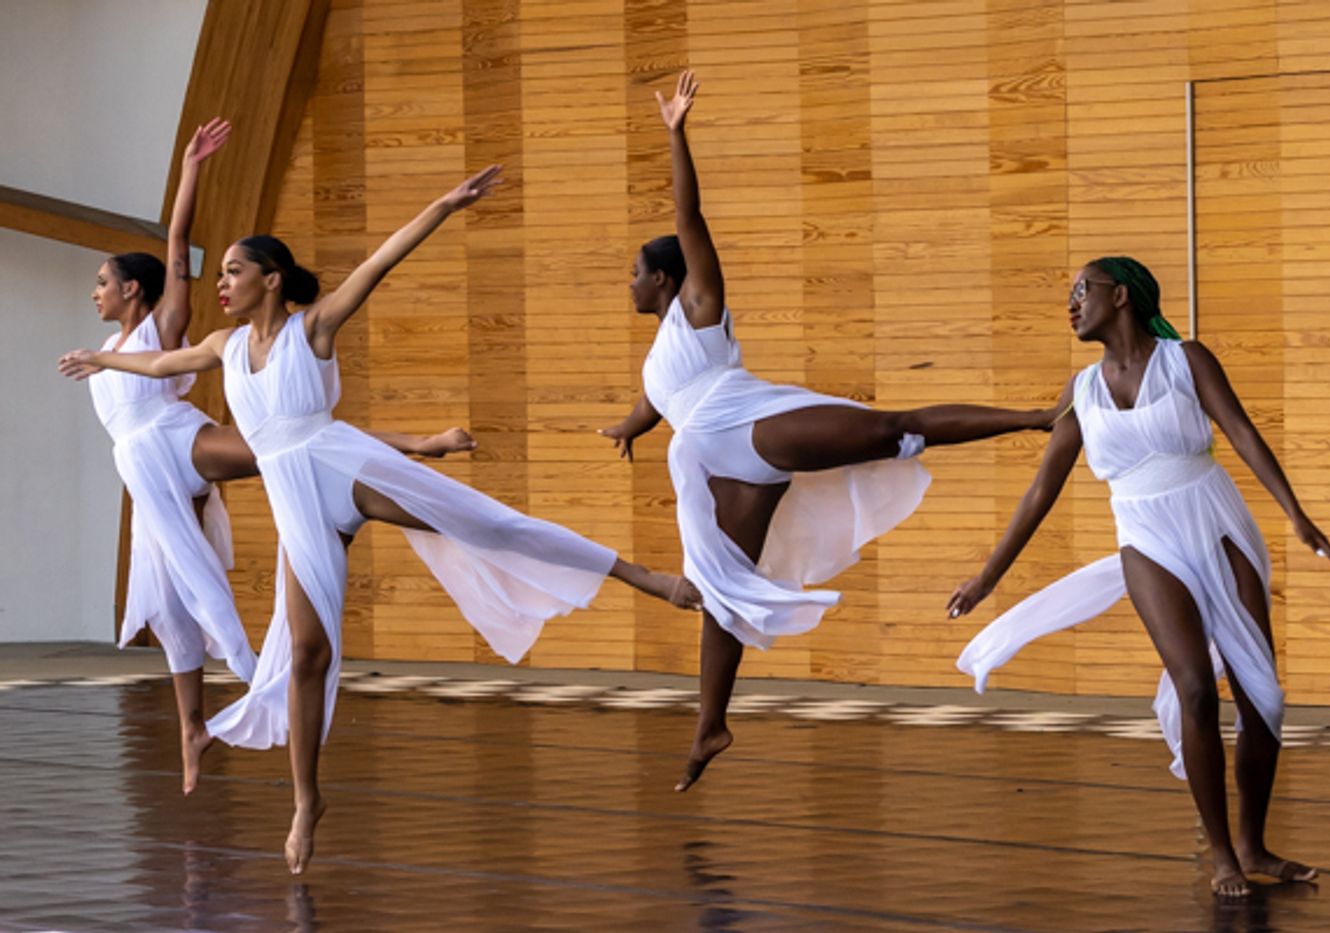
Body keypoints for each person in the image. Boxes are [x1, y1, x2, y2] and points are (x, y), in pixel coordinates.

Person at [61, 166, 700, 874]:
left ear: (271, 280)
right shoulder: (222, 347)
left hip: (345, 469)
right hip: (296, 501)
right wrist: (98, 356)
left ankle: (648, 579)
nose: (224, 282)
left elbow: (382, 262)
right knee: (308, 654)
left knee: (482, 524)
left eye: (235, 271)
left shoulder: (316, 326)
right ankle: (307, 799)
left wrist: (443, 206)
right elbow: (157, 363)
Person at [602, 71, 1056, 792]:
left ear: (665, 279)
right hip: (709, 461)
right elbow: (657, 401)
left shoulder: (699, 302)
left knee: (890, 429)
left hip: (745, 426)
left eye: (633, 273)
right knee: (724, 593)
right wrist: (629, 426)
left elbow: (690, 220)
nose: (625, 283)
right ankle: (709, 724)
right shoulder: (662, 353)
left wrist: (675, 133)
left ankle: (1036, 417)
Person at [72, 120, 474, 795]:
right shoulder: (113, 348)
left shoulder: (163, 325)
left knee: (295, 449)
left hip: (177, 440)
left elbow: (176, 248)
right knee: (169, 607)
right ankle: (193, 730)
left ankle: (411, 447)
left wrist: (192, 167)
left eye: (102, 282)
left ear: (133, 292)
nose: (95, 292)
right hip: (142, 472)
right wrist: (97, 355)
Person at [948, 256, 1330, 897]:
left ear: (1123, 296)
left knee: (1262, 697)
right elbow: (1039, 492)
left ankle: (1255, 844)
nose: (1072, 304)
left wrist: (1296, 514)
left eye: (1082, 290)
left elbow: (1241, 432)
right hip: (1146, 536)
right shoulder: (1082, 390)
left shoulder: (1187, 360)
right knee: (1194, 686)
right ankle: (1221, 854)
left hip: (1217, 521)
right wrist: (988, 577)